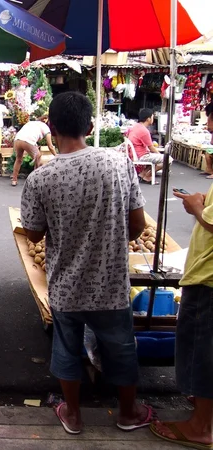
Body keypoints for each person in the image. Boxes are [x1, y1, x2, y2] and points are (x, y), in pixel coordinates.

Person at [21, 92, 152, 435]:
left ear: (51, 127)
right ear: (90, 126)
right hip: (110, 285)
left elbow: (33, 235)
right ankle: (128, 412)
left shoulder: (40, 178)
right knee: (121, 347)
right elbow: (138, 225)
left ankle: (74, 416)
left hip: (66, 285)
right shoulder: (118, 163)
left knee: (66, 348)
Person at [150, 102, 213, 449]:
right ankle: (203, 409)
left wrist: (196, 208)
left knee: (202, 350)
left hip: (208, 279)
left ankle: (201, 426)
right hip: (204, 273)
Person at [11, 116, 57, 187]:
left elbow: (29, 134)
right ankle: (36, 181)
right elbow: (50, 146)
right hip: (28, 141)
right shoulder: (46, 128)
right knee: (38, 157)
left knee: (18, 159)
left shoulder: (32, 123)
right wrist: (57, 155)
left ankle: (14, 180)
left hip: (17, 139)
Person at [127, 108, 170, 184]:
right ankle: (148, 175)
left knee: (157, 158)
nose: (153, 118)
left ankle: (143, 174)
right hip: (141, 156)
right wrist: (161, 156)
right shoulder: (144, 131)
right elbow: (151, 148)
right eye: (152, 117)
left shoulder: (135, 127)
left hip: (136, 154)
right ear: (148, 119)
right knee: (168, 159)